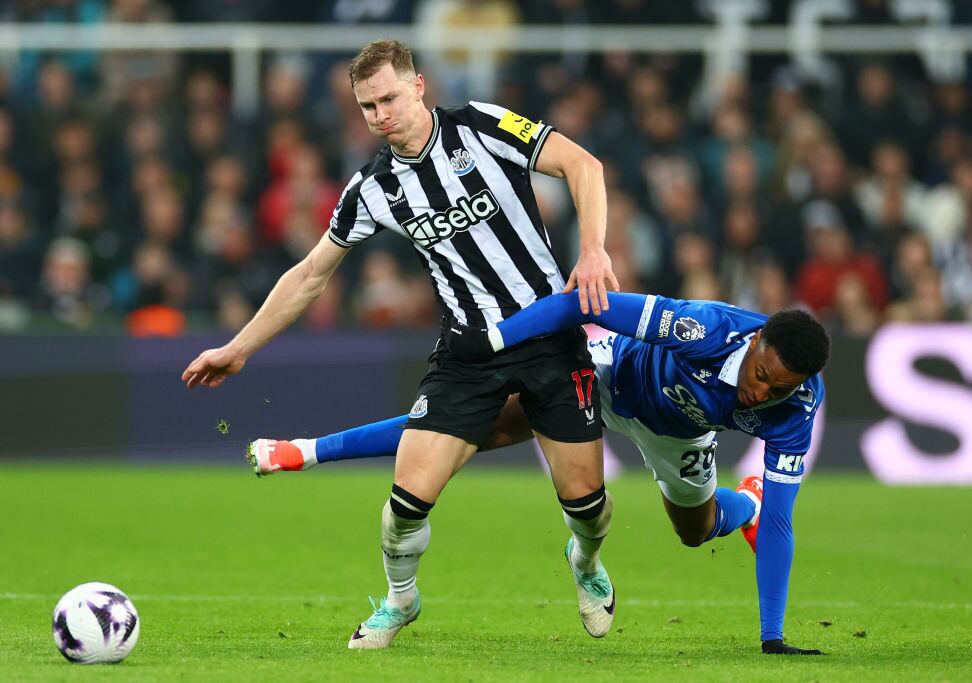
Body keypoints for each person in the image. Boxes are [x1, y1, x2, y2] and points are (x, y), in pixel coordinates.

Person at [181, 39, 621, 650]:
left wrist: (594, 249)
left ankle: (586, 562)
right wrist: (239, 347)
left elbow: (585, 167)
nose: (381, 114)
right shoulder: (374, 188)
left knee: (590, 510)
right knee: (403, 508)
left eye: (389, 97)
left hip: (550, 339)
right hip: (468, 355)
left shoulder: (485, 126)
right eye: (367, 106)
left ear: (418, 87)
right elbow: (310, 275)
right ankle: (400, 600)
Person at [250, 292, 830, 655]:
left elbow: (785, 523)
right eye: (760, 373)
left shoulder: (796, 408)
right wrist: (500, 339)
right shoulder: (701, 327)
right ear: (755, 340)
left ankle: (740, 506)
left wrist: (773, 639)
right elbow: (581, 304)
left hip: (679, 437)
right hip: (606, 377)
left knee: (695, 531)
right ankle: (309, 450)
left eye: (777, 387)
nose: (761, 392)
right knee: (462, 428)